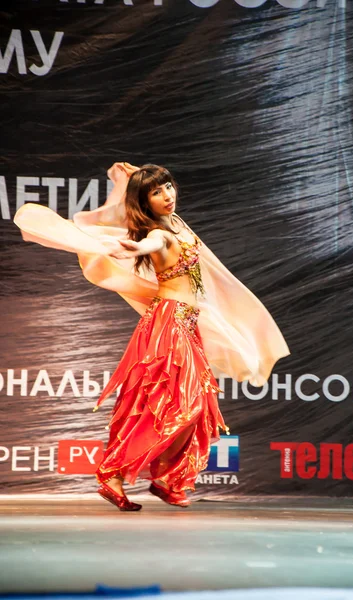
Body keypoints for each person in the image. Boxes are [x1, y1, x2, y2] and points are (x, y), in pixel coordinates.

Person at [14, 161, 290, 512]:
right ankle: (113, 473)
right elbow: (149, 243)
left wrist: (132, 178)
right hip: (169, 324)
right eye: (157, 193)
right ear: (146, 203)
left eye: (168, 187)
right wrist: (133, 249)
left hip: (186, 323)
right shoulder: (158, 235)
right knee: (179, 406)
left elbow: (141, 210)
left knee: (198, 406)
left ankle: (164, 479)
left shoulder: (175, 223)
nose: (167, 196)